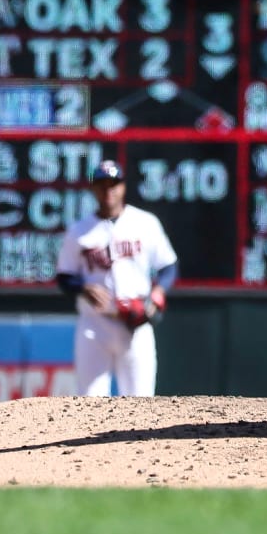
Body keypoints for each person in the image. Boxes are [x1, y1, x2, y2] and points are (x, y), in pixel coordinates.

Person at [56, 160, 178, 396]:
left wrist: (158, 292)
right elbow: (64, 277)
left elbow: (168, 266)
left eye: (113, 184)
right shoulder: (79, 231)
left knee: (140, 403)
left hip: (136, 324)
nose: (108, 190)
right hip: (95, 325)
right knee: (90, 404)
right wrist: (82, 288)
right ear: (93, 189)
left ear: (123, 186)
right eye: (102, 184)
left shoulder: (145, 223)